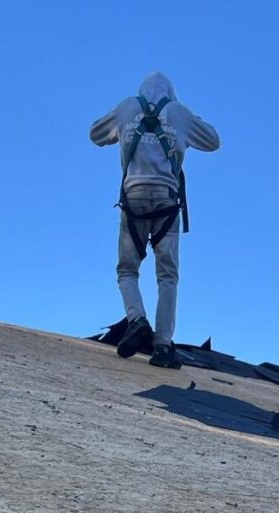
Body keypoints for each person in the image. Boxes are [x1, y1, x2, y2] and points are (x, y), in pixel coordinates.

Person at [90, 72, 220, 368]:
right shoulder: (178, 112)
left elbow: (95, 134)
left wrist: (124, 125)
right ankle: (162, 346)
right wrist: (183, 119)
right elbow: (213, 141)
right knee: (167, 276)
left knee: (127, 269)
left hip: (133, 197)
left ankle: (137, 320)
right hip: (166, 200)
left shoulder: (127, 107)